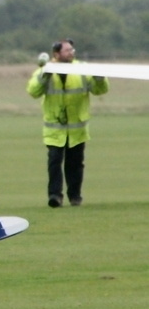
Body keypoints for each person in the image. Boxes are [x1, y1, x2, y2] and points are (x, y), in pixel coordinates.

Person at [27, 38, 107, 207]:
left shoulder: (82, 69)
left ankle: (75, 196)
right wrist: (44, 76)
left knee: (75, 164)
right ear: (56, 54)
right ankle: (55, 196)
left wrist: (100, 78)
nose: (71, 53)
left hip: (77, 128)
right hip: (55, 129)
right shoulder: (45, 70)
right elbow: (33, 91)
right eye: (67, 50)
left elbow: (100, 90)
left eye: (72, 50)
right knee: (54, 162)